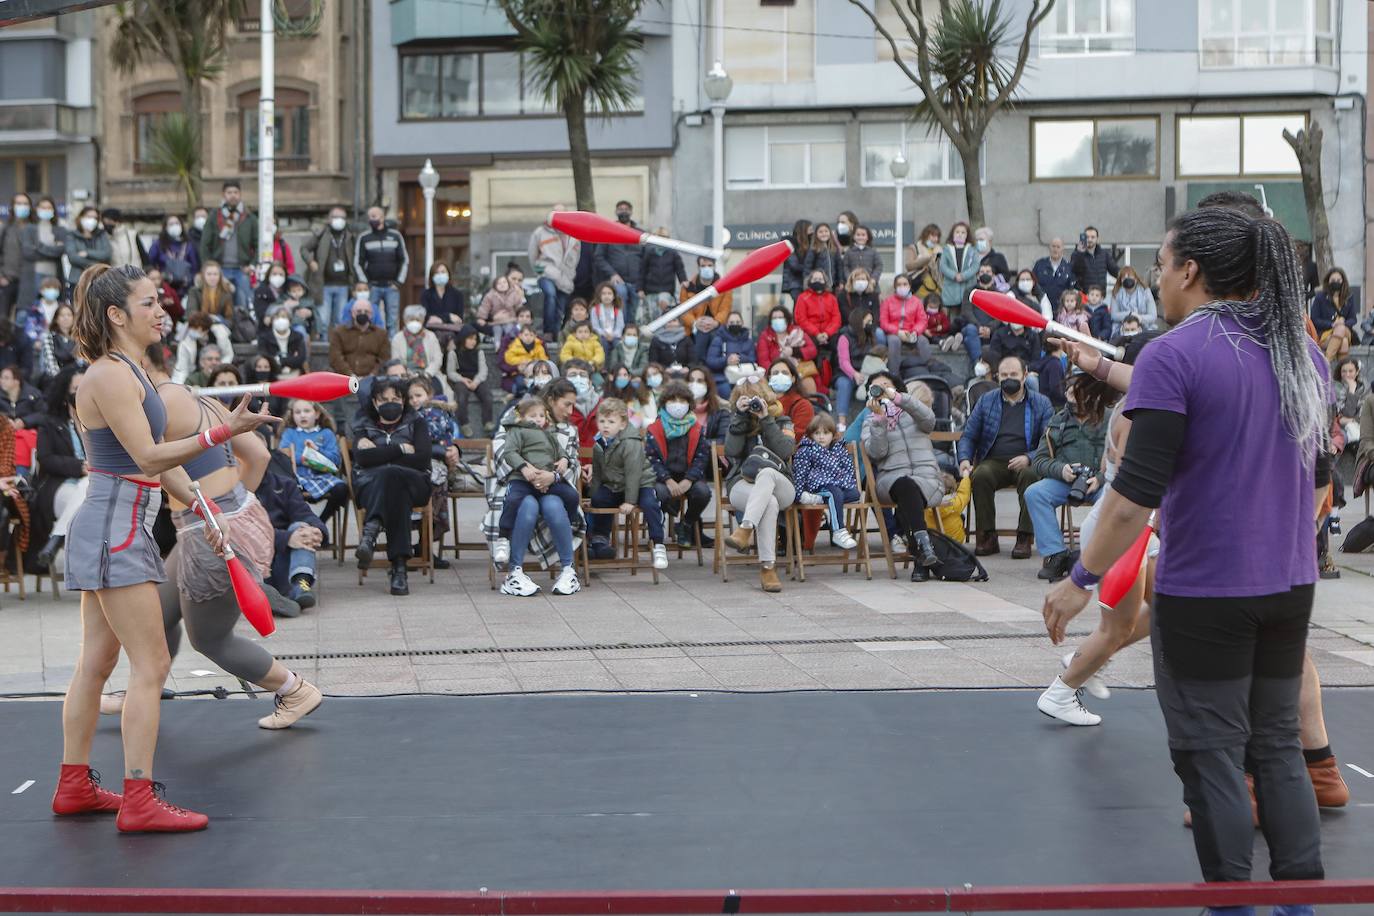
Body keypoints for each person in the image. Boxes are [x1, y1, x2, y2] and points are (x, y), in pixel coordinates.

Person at [1041, 206, 1328, 902]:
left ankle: (1229, 902)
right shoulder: (1303, 354)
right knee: (1276, 749)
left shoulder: (1177, 354)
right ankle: (1300, 902)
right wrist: (1105, 364)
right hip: (1289, 588)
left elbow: (1133, 497)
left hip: (1206, 594)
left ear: (1189, 271)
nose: (1159, 278)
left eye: (1164, 264)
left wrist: (1079, 578)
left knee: (1212, 759)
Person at [55, 263, 275, 833]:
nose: (162, 311)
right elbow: (149, 459)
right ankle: (139, 799)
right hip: (115, 531)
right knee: (150, 664)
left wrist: (204, 510)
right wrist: (222, 432)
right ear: (116, 314)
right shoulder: (106, 375)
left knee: (99, 663)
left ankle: (75, 787)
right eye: (150, 303)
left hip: (118, 527)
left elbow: (150, 459)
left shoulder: (130, 371)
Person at [142, 342, 319, 722]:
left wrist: (220, 513)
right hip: (224, 517)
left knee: (209, 639)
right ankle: (145, 691)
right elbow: (259, 456)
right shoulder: (195, 398)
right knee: (158, 614)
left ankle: (295, 690)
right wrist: (234, 505)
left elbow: (150, 465)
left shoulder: (159, 402)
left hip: (211, 529)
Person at [489, 380, 584, 597]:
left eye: (573, 406)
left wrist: (554, 475)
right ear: (551, 400)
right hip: (520, 483)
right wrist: (528, 471)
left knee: (554, 505)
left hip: (554, 486)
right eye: (566, 405)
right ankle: (514, 572)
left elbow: (572, 461)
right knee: (527, 506)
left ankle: (568, 570)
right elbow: (502, 452)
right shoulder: (516, 420)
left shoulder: (568, 430)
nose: (570, 412)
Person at [958, 355, 1053, 559]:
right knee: (980, 475)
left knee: (1031, 477)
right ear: (997, 376)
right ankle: (987, 535)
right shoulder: (986, 401)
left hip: (1027, 461)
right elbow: (968, 435)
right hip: (994, 461)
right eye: (1004, 375)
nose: (1008, 378)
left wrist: (1029, 457)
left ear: (1025, 375)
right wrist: (964, 458)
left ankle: (1025, 537)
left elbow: (1049, 441)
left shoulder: (1041, 403)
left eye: (1013, 374)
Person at [1025, 373, 1112, 582]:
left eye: (1081, 394)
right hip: (1065, 480)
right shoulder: (1057, 421)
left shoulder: (1109, 417)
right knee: (1035, 493)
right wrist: (1061, 469)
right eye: (1072, 394)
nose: (1076, 399)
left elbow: (1122, 455)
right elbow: (1039, 461)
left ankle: (1098, 556)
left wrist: (1100, 477)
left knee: (1113, 499)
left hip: (1100, 482)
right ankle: (1055, 554)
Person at [350, 377, 431, 595]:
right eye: (384, 399)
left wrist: (379, 453)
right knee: (395, 491)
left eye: (396, 398)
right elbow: (362, 459)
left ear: (404, 400)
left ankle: (372, 530)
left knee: (391, 474)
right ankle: (399, 568)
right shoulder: (363, 425)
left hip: (415, 484)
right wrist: (400, 449)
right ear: (375, 403)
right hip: (372, 485)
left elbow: (423, 459)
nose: (390, 403)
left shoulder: (417, 422)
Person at [862, 373, 944, 575]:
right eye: (875, 388)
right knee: (906, 485)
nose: (880, 390)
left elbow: (929, 421)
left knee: (910, 489)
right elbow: (876, 453)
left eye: (885, 386)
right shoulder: (870, 421)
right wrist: (879, 419)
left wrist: (899, 398)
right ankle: (924, 550)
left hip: (928, 479)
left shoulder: (912, 412)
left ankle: (920, 557)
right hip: (891, 481)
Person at [721, 376, 797, 593]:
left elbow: (785, 451)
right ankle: (768, 568)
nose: (753, 403)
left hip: (782, 483)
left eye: (757, 398)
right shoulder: (737, 421)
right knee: (769, 504)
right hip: (742, 484)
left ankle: (744, 529)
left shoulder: (783, 420)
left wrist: (766, 419)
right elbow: (731, 452)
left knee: (767, 474)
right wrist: (740, 417)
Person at [587, 397, 668, 569]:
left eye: (611, 421)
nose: (605, 425)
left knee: (649, 502)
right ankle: (599, 539)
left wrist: (630, 501)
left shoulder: (631, 443)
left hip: (639, 483)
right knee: (600, 498)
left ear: (622, 424)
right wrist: (592, 495)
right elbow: (598, 473)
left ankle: (658, 543)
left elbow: (633, 473)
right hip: (615, 485)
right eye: (602, 421)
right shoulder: (599, 444)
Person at [32, 366, 88, 570]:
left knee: (90, 496)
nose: (80, 393)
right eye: (75, 388)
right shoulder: (50, 423)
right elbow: (46, 459)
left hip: (90, 486)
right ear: (65, 392)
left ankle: (56, 538)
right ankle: (90, 570)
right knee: (88, 504)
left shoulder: (97, 422)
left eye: (85, 387)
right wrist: (79, 467)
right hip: (60, 485)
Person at [256, 449, 326, 609]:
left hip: (282, 562)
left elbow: (303, 513)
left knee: (301, 526)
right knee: (294, 532)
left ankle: (301, 584)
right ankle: (270, 597)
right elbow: (243, 534)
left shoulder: (283, 484)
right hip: (253, 567)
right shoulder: (232, 492)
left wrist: (317, 532)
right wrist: (287, 538)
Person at [645, 380, 712, 549]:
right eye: (673, 400)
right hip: (662, 479)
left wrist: (689, 480)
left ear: (689, 404)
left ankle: (686, 524)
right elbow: (651, 459)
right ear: (664, 402)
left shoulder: (696, 428)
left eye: (682, 401)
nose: (677, 405)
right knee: (659, 493)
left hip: (688, 477)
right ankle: (657, 531)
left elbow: (702, 457)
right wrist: (668, 480)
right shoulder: (655, 428)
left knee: (703, 493)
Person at [792, 413, 860, 550]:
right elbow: (799, 474)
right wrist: (799, 495)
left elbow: (848, 469)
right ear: (811, 435)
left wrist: (847, 483)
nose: (821, 437)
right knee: (834, 493)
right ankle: (838, 531)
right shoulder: (806, 450)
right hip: (818, 484)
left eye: (826, 433)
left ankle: (819, 499)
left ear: (833, 434)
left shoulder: (839, 449)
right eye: (817, 433)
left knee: (855, 494)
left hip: (839, 484)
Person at [278, 398, 349, 530]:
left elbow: (335, 460)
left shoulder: (326, 434)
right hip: (297, 478)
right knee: (287, 491)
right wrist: (307, 457)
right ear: (292, 416)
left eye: (307, 411)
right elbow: (284, 456)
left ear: (317, 414)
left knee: (342, 489)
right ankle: (302, 526)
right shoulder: (289, 434)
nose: (302, 415)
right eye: (297, 412)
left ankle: (320, 523)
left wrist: (317, 451)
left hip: (322, 477)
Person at [199, 181, 258, 309]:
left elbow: (257, 244)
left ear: (240, 194)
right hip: (220, 269)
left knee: (245, 303)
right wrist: (208, 266)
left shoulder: (249, 218)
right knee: (220, 304)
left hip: (242, 270)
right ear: (223, 195)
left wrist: (252, 265)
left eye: (236, 192)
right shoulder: (215, 216)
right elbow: (204, 244)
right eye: (229, 192)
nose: (233, 196)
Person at [354, 206, 408, 332]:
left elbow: (404, 259)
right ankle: (372, 347)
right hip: (373, 286)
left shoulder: (395, 236)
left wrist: (398, 282)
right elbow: (358, 262)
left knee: (392, 320)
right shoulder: (364, 237)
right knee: (371, 318)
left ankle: (391, 349)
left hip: (392, 286)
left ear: (382, 217)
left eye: (374, 216)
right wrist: (366, 283)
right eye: (369, 217)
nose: (371, 219)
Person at [528, 209, 579, 336]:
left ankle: (556, 334)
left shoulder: (573, 234)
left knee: (560, 307)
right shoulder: (540, 232)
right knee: (550, 295)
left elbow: (575, 258)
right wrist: (539, 269)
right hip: (547, 273)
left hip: (565, 276)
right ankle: (548, 331)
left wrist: (569, 274)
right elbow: (532, 255)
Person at [308, 206, 358, 332]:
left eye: (342, 217)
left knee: (341, 320)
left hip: (344, 284)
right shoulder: (321, 234)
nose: (339, 220)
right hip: (324, 284)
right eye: (336, 217)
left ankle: (338, 346)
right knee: (323, 320)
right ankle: (323, 346)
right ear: (329, 219)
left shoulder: (350, 236)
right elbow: (304, 249)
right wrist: (311, 261)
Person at [593, 200, 644, 322]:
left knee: (635, 310)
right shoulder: (608, 232)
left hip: (636, 281)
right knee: (621, 302)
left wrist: (643, 281)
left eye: (626, 209)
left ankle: (632, 334)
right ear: (616, 212)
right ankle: (621, 332)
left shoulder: (640, 234)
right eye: (620, 209)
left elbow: (646, 258)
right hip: (617, 280)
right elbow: (599, 257)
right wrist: (612, 274)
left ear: (631, 212)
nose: (623, 211)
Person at [834, 307, 883, 428]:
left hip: (867, 372)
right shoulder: (844, 337)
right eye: (868, 321)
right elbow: (843, 362)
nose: (870, 325)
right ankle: (841, 423)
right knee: (843, 384)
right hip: (847, 373)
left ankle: (874, 420)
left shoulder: (871, 336)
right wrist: (854, 374)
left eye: (871, 322)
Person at [756, 305, 817, 396]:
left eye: (780, 317)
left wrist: (794, 351)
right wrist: (775, 372)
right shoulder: (765, 336)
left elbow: (812, 350)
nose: (777, 320)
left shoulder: (797, 332)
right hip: (775, 373)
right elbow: (763, 360)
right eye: (774, 318)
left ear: (787, 319)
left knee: (808, 383)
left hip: (799, 372)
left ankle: (810, 408)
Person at [446, 325, 493, 437]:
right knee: (462, 397)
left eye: (475, 339)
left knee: (487, 396)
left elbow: (483, 370)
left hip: (476, 378)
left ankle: (488, 421)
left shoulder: (479, 352)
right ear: (463, 338)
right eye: (470, 339)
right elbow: (451, 372)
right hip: (461, 379)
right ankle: (464, 423)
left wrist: (476, 381)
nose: (473, 342)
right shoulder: (453, 353)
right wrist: (463, 380)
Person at [20, 197, 66, 310]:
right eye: (43, 207)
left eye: (49, 207)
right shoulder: (29, 229)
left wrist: (38, 247)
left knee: (54, 309)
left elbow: (60, 251)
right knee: (31, 308)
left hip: (54, 275)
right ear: (37, 209)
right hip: (34, 275)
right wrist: (52, 249)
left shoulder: (60, 229)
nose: (46, 210)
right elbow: (28, 253)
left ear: (54, 210)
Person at [329, 296, 390, 380]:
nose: (362, 313)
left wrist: (371, 376)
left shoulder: (381, 334)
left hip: (373, 380)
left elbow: (384, 359)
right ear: (352, 313)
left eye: (366, 311)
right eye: (359, 311)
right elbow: (335, 357)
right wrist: (350, 375)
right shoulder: (339, 332)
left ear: (371, 314)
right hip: (345, 378)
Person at [392, 304, 448, 395]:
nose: (415, 322)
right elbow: (396, 362)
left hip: (429, 375)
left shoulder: (431, 336)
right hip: (406, 376)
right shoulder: (397, 338)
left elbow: (437, 359)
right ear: (405, 320)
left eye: (418, 320)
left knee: (435, 390)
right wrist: (408, 375)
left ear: (422, 320)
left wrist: (426, 374)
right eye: (411, 319)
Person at [147, 214, 199, 302]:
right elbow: (150, 264)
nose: (174, 226)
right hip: (165, 288)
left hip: (186, 288)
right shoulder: (157, 244)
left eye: (177, 223)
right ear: (165, 227)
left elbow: (194, 267)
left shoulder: (189, 244)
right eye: (171, 224)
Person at [958, 266, 1001, 363]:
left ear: (993, 276)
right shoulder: (970, 291)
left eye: (988, 271)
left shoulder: (999, 294)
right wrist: (979, 327)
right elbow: (966, 311)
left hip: (992, 330)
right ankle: (978, 362)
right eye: (982, 272)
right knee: (970, 330)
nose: (985, 274)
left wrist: (990, 328)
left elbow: (1000, 316)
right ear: (977, 276)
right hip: (973, 327)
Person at [706, 311, 755, 396]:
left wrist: (739, 358)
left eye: (738, 322)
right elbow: (710, 361)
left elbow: (753, 359)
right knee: (726, 391)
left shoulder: (748, 341)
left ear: (742, 323)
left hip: (744, 376)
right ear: (726, 324)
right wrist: (726, 360)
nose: (735, 324)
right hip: (723, 378)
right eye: (732, 322)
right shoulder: (718, 339)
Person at [678, 257, 731, 334]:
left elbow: (725, 309)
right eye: (703, 266)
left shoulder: (725, 287)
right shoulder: (688, 287)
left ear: (714, 266)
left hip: (718, 328)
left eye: (710, 265)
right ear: (698, 267)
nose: (707, 268)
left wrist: (716, 322)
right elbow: (684, 311)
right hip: (694, 330)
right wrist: (695, 323)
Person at [794, 268, 842, 354]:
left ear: (825, 281)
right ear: (810, 281)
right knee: (810, 348)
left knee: (839, 347)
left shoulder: (832, 298)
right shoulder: (802, 297)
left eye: (820, 279)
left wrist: (827, 333)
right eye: (815, 279)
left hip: (829, 334)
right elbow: (801, 319)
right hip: (810, 334)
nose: (818, 281)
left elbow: (836, 319)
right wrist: (816, 333)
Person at [1309, 266, 1360, 347]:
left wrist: (1342, 323)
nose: (1336, 282)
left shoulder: (1349, 297)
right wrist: (1332, 324)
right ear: (1328, 281)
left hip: (1345, 330)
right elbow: (1314, 319)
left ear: (1343, 281)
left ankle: (1326, 359)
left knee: (1341, 329)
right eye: (1333, 280)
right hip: (1325, 333)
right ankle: (1332, 359)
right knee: (1344, 343)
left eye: (1338, 280)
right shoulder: (1320, 297)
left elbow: (1353, 319)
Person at [0, 193, 33, 314]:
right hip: (8, 280)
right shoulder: (6, 228)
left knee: (23, 320)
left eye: (25, 204)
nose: (22, 206)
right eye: (18, 203)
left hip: (28, 281)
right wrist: (1, 276)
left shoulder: (34, 228)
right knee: (3, 319)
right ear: (13, 207)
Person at [766, 358, 813, 442]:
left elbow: (797, 437)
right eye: (775, 373)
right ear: (769, 378)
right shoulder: (762, 402)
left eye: (785, 373)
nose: (780, 376)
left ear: (793, 378)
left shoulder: (802, 405)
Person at [258, 304, 308, 380]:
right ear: (272, 320)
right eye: (277, 317)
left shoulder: (298, 337)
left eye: (284, 317)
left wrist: (279, 360)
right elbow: (265, 358)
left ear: (289, 320)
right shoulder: (264, 338)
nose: (280, 320)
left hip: (296, 376)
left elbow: (300, 359)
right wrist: (291, 359)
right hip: (273, 376)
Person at [65, 206, 112, 288]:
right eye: (89, 217)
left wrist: (87, 253)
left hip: (99, 280)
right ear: (81, 217)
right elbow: (73, 257)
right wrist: (95, 265)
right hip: (78, 280)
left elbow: (106, 253)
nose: (92, 220)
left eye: (95, 218)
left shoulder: (102, 234)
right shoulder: (72, 235)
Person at [639, 229, 687, 307]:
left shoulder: (673, 253)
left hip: (667, 290)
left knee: (664, 307)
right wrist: (640, 289)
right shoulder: (649, 252)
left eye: (664, 237)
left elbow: (680, 269)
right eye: (659, 237)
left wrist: (683, 280)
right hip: (650, 291)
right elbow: (642, 271)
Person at [686, 365, 729, 447]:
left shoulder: (721, 410)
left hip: (709, 457)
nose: (694, 384)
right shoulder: (679, 408)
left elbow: (722, 440)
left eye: (700, 381)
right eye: (691, 380)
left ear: (708, 384)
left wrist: (697, 446)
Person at [37, 302, 79, 384]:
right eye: (62, 315)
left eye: (69, 315)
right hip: (56, 381)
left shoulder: (79, 338)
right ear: (56, 319)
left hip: (76, 380)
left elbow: (81, 361)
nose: (66, 318)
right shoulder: (49, 338)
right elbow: (51, 365)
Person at [500, 325, 548, 394]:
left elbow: (544, 359)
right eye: (526, 335)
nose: (528, 337)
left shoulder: (539, 346)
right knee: (521, 383)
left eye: (531, 335)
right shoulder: (515, 345)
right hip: (519, 372)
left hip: (535, 372)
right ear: (520, 335)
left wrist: (532, 363)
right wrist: (521, 362)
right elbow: (509, 358)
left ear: (535, 336)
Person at [1070, 225, 1118, 292]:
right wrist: (1080, 254)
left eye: (1092, 237)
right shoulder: (1076, 254)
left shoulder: (1104, 254)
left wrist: (1126, 276)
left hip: (1099, 296)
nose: (1089, 239)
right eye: (1087, 237)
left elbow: (1115, 270)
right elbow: (1073, 271)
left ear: (1097, 238)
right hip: (1084, 297)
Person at [925, 471, 971, 541]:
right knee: (961, 517)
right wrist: (966, 477)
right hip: (954, 543)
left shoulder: (926, 505)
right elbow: (964, 493)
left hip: (932, 542)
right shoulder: (955, 503)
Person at [904, 223, 944, 301]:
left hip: (937, 289)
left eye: (937, 236)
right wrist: (926, 259)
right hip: (920, 288)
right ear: (925, 235)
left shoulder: (940, 250)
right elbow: (909, 266)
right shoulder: (915, 247)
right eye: (932, 236)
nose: (934, 239)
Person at [1109, 266, 1156, 332]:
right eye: (1124, 277)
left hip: (1144, 327)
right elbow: (1114, 315)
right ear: (1121, 280)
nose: (1127, 279)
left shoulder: (1146, 291)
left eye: (1130, 276)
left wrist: (1139, 318)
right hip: (1123, 327)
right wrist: (1130, 314)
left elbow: (1153, 316)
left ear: (1136, 279)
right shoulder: (1116, 292)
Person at [0, 363, 45, 431]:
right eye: (1, 377)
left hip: (29, 434)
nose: (2, 381)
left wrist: (24, 422)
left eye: (6, 378)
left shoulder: (34, 395)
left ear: (16, 381)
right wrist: (5, 421)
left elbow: (43, 414)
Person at [1032, 238, 1075, 309]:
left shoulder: (1068, 267)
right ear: (1049, 248)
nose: (1055, 249)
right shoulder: (1040, 264)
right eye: (1053, 246)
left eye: (1058, 247)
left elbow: (1071, 289)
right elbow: (1033, 284)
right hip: (1042, 307)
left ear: (1062, 249)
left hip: (1062, 309)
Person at [420, 260, 464, 328]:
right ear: (432, 276)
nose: (440, 275)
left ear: (448, 274)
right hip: (432, 330)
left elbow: (459, 318)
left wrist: (438, 319)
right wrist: (449, 316)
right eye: (437, 273)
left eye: (443, 272)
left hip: (452, 331)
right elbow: (425, 316)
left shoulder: (457, 294)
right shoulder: (426, 294)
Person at [836, 266, 880, 332]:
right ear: (852, 281)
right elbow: (845, 314)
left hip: (869, 325)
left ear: (868, 281)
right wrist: (861, 322)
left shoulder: (873, 295)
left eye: (863, 279)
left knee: (880, 335)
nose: (861, 281)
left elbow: (876, 313)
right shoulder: (843, 295)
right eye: (858, 279)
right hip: (850, 326)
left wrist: (869, 323)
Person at [803, 223, 843, 293]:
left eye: (826, 231)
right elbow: (807, 267)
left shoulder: (834, 248)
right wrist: (807, 283)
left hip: (833, 284)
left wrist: (840, 281)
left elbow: (839, 266)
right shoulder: (813, 249)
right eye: (820, 232)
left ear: (830, 233)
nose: (824, 233)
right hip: (819, 284)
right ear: (816, 234)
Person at [1333, 358, 1364, 447]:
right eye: (1344, 371)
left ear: (1357, 372)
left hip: (1359, 423)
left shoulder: (1363, 387)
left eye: (1351, 371)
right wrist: (1351, 391)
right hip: (1339, 427)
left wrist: (1355, 420)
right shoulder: (1335, 388)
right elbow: (1347, 413)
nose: (1347, 374)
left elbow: (1364, 411)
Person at [842, 225, 882, 290]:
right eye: (858, 235)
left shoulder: (873, 251)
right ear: (853, 237)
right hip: (853, 285)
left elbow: (879, 266)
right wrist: (849, 278)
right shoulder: (849, 252)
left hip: (870, 285)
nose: (860, 237)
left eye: (863, 235)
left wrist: (874, 279)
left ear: (867, 237)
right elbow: (845, 266)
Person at [781, 219, 812, 304]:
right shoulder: (790, 244)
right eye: (810, 229)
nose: (812, 232)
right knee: (799, 306)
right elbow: (794, 266)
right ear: (803, 230)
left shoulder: (810, 244)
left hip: (806, 282)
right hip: (795, 283)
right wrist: (811, 270)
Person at [589, 281, 626, 350]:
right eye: (604, 294)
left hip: (615, 336)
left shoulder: (617, 310)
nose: (607, 296)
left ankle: (617, 360)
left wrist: (613, 335)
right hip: (600, 336)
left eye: (609, 294)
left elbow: (620, 326)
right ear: (599, 296)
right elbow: (595, 326)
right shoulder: (595, 309)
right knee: (603, 343)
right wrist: (604, 334)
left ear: (614, 296)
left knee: (617, 344)